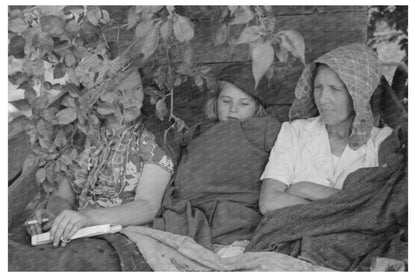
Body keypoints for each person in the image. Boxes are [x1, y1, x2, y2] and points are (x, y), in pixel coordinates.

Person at [9, 69, 176, 271]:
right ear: (96, 98)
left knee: (66, 263)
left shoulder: (154, 136)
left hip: (120, 235)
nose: (132, 100)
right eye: (119, 93)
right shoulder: (81, 135)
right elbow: (63, 196)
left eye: (137, 88)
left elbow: (148, 206)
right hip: (78, 233)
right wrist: (54, 217)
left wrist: (89, 217)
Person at [153, 64, 281, 256]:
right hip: (191, 213)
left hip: (238, 218)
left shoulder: (266, 129)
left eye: (244, 104)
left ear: (257, 108)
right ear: (215, 101)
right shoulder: (196, 133)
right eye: (226, 101)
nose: (233, 109)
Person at [259, 43, 393, 214]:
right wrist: (343, 209)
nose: (323, 99)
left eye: (335, 89)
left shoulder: (380, 141)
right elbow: (269, 202)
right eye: (318, 88)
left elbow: (377, 209)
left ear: (359, 94)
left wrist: (304, 188)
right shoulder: (295, 132)